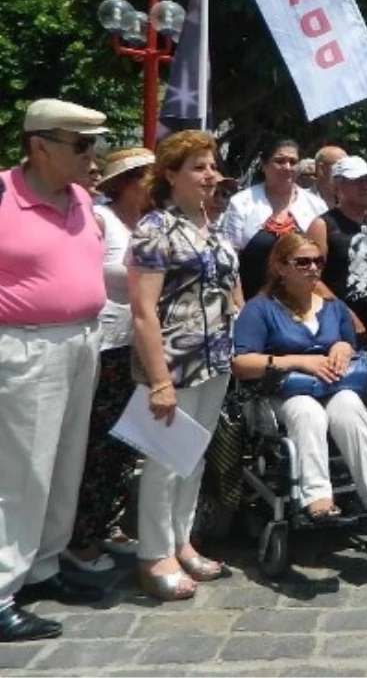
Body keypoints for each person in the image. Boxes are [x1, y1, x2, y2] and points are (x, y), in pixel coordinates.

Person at [0, 99, 108, 641]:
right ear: (40, 145)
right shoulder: (1, 195)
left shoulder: (82, 200)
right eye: (82, 144)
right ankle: (1, 588)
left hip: (81, 341)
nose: (93, 155)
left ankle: (42, 566)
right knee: (23, 473)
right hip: (26, 346)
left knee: (65, 463)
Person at [128, 130, 241, 601]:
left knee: (192, 459)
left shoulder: (211, 226)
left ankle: (182, 540)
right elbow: (142, 310)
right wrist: (158, 380)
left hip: (214, 361)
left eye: (212, 165)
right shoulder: (155, 228)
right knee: (164, 462)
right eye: (198, 166)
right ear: (171, 174)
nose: (210, 174)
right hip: (174, 363)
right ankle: (153, 553)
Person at [232, 234, 367, 521]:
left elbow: (351, 343)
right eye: (302, 262)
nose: (313, 268)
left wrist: (342, 346)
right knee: (308, 411)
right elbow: (241, 362)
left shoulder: (333, 306)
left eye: (318, 261)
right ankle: (316, 497)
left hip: (334, 385)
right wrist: (298, 361)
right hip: (285, 390)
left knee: (350, 404)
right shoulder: (260, 309)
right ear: (280, 267)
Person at [65, 148, 155, 576]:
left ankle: (107, 522)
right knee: (97, 445)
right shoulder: (103, 220)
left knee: (128, 442)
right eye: (147, 176)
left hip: (141, 345)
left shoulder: (152, 223)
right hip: (106, 344)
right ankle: (80, 539)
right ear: (128, 180)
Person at [222, 136, 327, 299]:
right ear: (264, 166)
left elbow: (321, 262)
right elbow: (229, 260)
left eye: (293, 162)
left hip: (303, 301)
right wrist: (238, 302)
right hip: (252, 299)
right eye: (280, 161)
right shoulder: (241, 202)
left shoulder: (316, 205)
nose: (287, 167)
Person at [307, 155, 367, 342]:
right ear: (338, 186)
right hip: (338, 322)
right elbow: (311, 278)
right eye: (356, 181)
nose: (365, 186)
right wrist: (345, 314)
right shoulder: (323, 225)